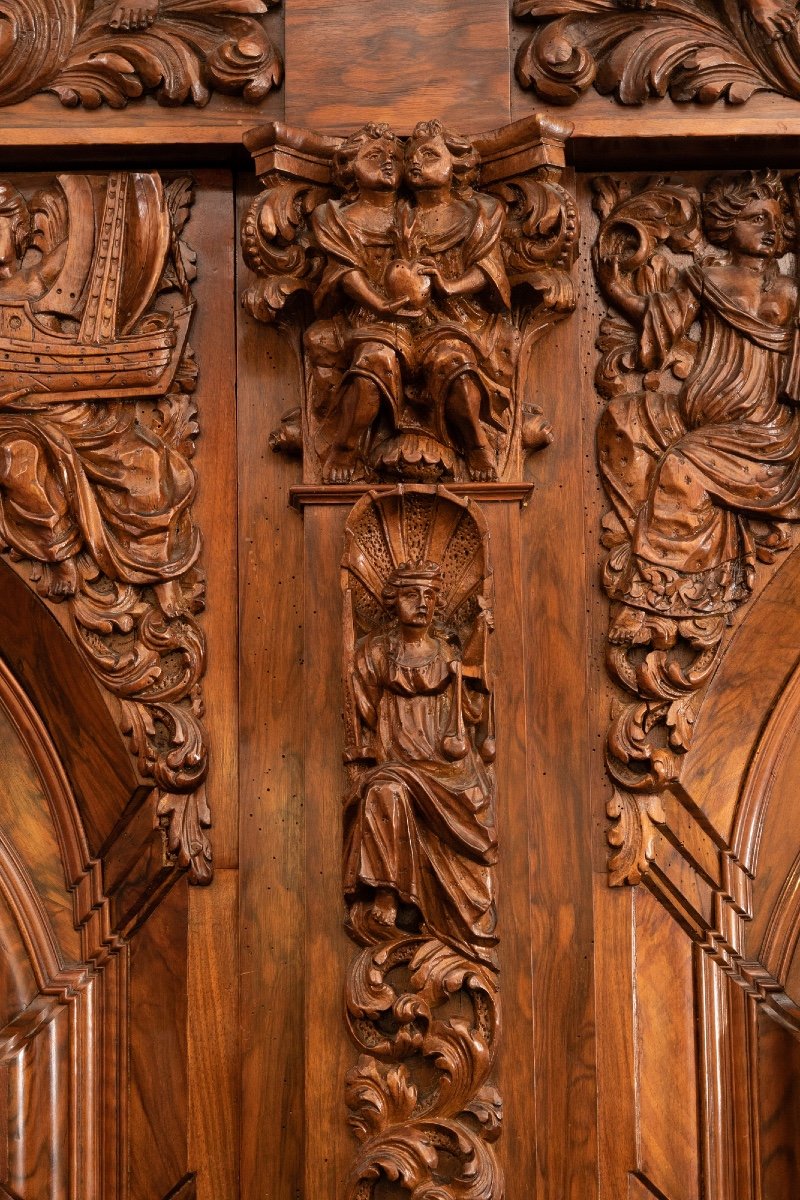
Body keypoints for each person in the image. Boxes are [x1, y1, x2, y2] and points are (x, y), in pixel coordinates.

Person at [596, 169, 800, 642]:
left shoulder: (790, 291)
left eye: (775, 219)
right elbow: (660, 321)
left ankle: (663, 595)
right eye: (755, 218)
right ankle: (690, 577)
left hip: (764, 425)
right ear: (728, 224)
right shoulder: (705, 278)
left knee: (680, 466)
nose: (770, 229)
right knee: (623, 419)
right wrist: (614, 288)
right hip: (705, 415)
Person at [0, 178, 198, 607]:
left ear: (18, 233)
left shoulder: (31, 283)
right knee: (19, 463)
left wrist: (100, 220)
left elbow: (62, 262)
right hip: (17, 415)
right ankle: (62, 554)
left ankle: (158, 571)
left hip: (75, 409)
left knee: (145, 462)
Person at [306, 121, 518, 483]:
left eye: (428, 155)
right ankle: (346, 444)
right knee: (375, 361)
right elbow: (345, 273)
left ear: (458, 165)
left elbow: (490, 272)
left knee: (453, 363)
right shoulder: (353, 217)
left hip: (450, 318)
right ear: (348, 168)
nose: (402, 164)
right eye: (375, 156)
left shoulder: (480, 213)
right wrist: (383, 301)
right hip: (379, 319)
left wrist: (448, 286)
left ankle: (477, 443)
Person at [343, 560, 497, 961]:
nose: (422, 603)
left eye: (429, 595)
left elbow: (471, 714)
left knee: (405, 789)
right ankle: (387, 895)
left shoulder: (448, 654)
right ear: (393, 601)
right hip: (398, 765)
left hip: (449, 771)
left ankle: (452, 915)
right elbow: (362, 712)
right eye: (412, 594)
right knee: (385, 789)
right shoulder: (375, 653)